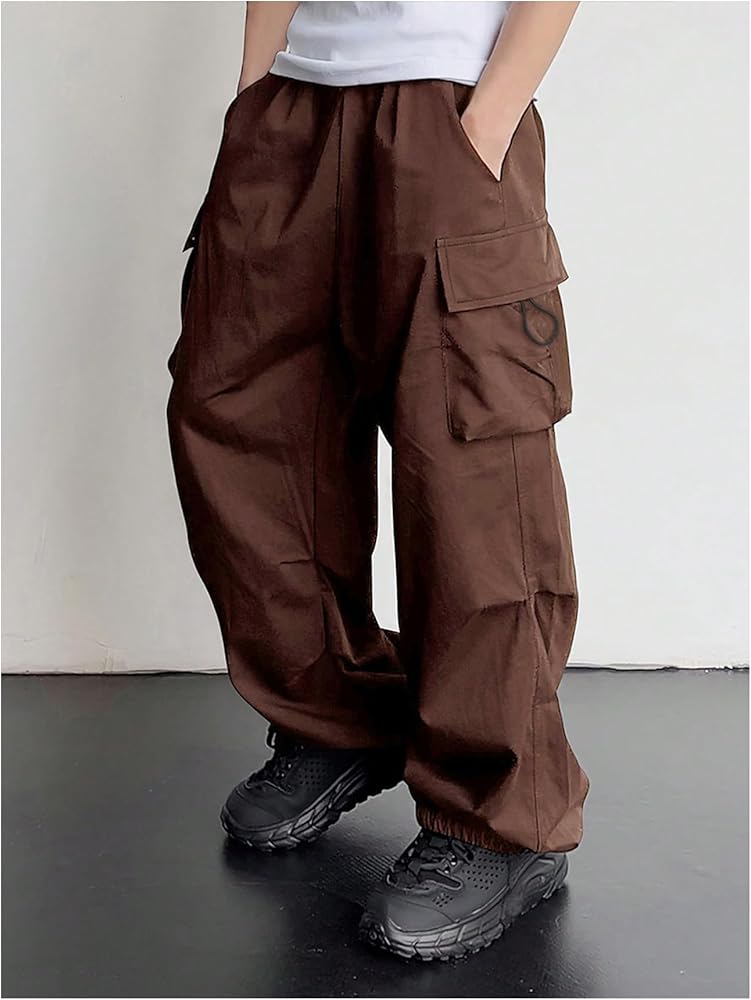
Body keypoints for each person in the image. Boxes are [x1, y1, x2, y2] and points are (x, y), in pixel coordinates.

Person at [167, 0, 587, 961]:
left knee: (472, 470)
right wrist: (255, 92)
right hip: (295, 107)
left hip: (446, 106)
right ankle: (337, 714)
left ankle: (501, 818)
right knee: (243, 419)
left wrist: (488, 117)